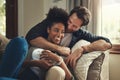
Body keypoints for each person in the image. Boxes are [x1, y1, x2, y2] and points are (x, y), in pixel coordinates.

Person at [26, 6, 112, 69]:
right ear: (69, 16)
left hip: (53, 66)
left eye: (74, 26)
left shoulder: (80, 34)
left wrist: (83, 49)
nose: (69, 26)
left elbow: (107, 43)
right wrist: (58, 48)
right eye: (69, 21)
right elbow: (31, 37)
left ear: (80, 27)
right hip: (34, 59)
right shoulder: (56, 19)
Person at [20, 7, 73, 80]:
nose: (59, 35)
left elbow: (70, 78)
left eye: (62, 32)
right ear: (48, 30)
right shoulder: (34, 45)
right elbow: (18, 63)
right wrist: (36, 63)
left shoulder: (57, 55)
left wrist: (58, 59)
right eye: (56, 30)